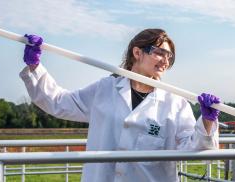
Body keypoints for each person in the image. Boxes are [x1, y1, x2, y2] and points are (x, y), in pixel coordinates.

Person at [20, 29, 221, 182]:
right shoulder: (105, 89)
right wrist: (35, 67)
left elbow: (193, 147)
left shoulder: (175, 103)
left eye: (169, 56)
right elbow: (59, 103)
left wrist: (207, 121)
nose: (166, 61)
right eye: (160, 53)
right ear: (137, 52)